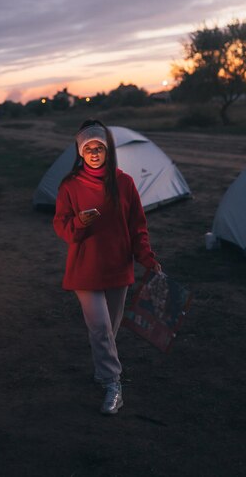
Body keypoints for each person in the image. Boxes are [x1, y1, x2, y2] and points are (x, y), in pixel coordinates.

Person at [53, 119, 161, 415]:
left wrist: (147, 258)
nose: (94, 152)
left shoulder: (123, 183)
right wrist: (79, 223)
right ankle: (114, 385)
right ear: (80, 152)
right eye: (88, 148)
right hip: (85, 270)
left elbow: (138, 226)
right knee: (100, 327)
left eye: (99, 147)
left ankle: (103, 372)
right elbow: (61, 226)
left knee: (108, 331)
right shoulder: (70, 186)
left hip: (117, 267)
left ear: (108, 150)